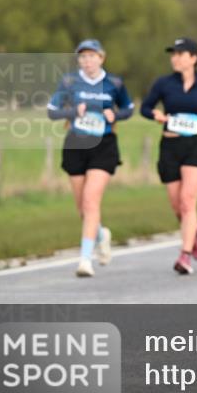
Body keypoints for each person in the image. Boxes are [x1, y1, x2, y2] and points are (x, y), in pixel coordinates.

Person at [140, 38, 197, 275]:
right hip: (170, 147)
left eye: (180, 54)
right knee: (178, 206)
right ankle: (194, 233)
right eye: (173, 54)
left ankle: (185, 255)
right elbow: (145, 108)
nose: (175, 58)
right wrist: (155, 115)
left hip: (195, 147)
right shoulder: (163, 84)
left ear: (193, 58)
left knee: (188, 200)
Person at [47, 39, 134, 277]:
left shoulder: (114, 83)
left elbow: (129, 108)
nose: (87, 61)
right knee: (82, 208)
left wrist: (115, 115)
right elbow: (52, 111)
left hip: (104, 145)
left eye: (92, 56)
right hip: (76, 143)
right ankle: (101, 234)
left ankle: (85, 260)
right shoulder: (69, 82)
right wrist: (73, 111)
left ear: (101, 58)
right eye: (83, 57)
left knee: (90, 201)